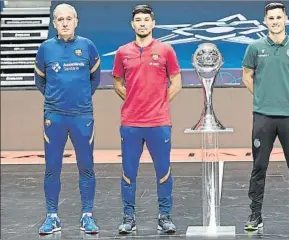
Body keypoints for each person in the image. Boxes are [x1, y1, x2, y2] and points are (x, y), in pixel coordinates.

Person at [241, 2, 289, 231]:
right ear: (265, 21)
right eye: (271, 18)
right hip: (263, 116)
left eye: (278, 17)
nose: (275, 21)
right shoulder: (254, 47)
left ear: (286, 19)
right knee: (259, 166)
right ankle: (255, 215)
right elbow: (246, 76)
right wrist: (262, 97)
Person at [112, 4, 182, 234]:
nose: (142, 23)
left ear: (153, 23)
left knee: (163, 171)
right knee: (128, 173)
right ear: (133, 24)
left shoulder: (166, 50)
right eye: (138, 20)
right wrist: (134, 100)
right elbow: (118, 84)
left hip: (159, 123)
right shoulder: (122, 52)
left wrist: (159, 101)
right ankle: (128, 217)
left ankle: (165, 216)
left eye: (146, 20)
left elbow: (177, 82)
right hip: (131, 123)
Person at [34, 3, 101, 235]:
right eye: (59, 19)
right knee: (52, 167)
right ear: (54, 23)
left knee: (87, 167)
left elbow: (94, 80)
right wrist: (56, 101)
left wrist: (79, 101)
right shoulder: (45, 49)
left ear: (76, 21)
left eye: (68, 18)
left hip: (82, 117)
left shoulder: (87, 46)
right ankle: (52, 217)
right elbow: (40, 82)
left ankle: (87, 216)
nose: (64, 23)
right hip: (54, 117)